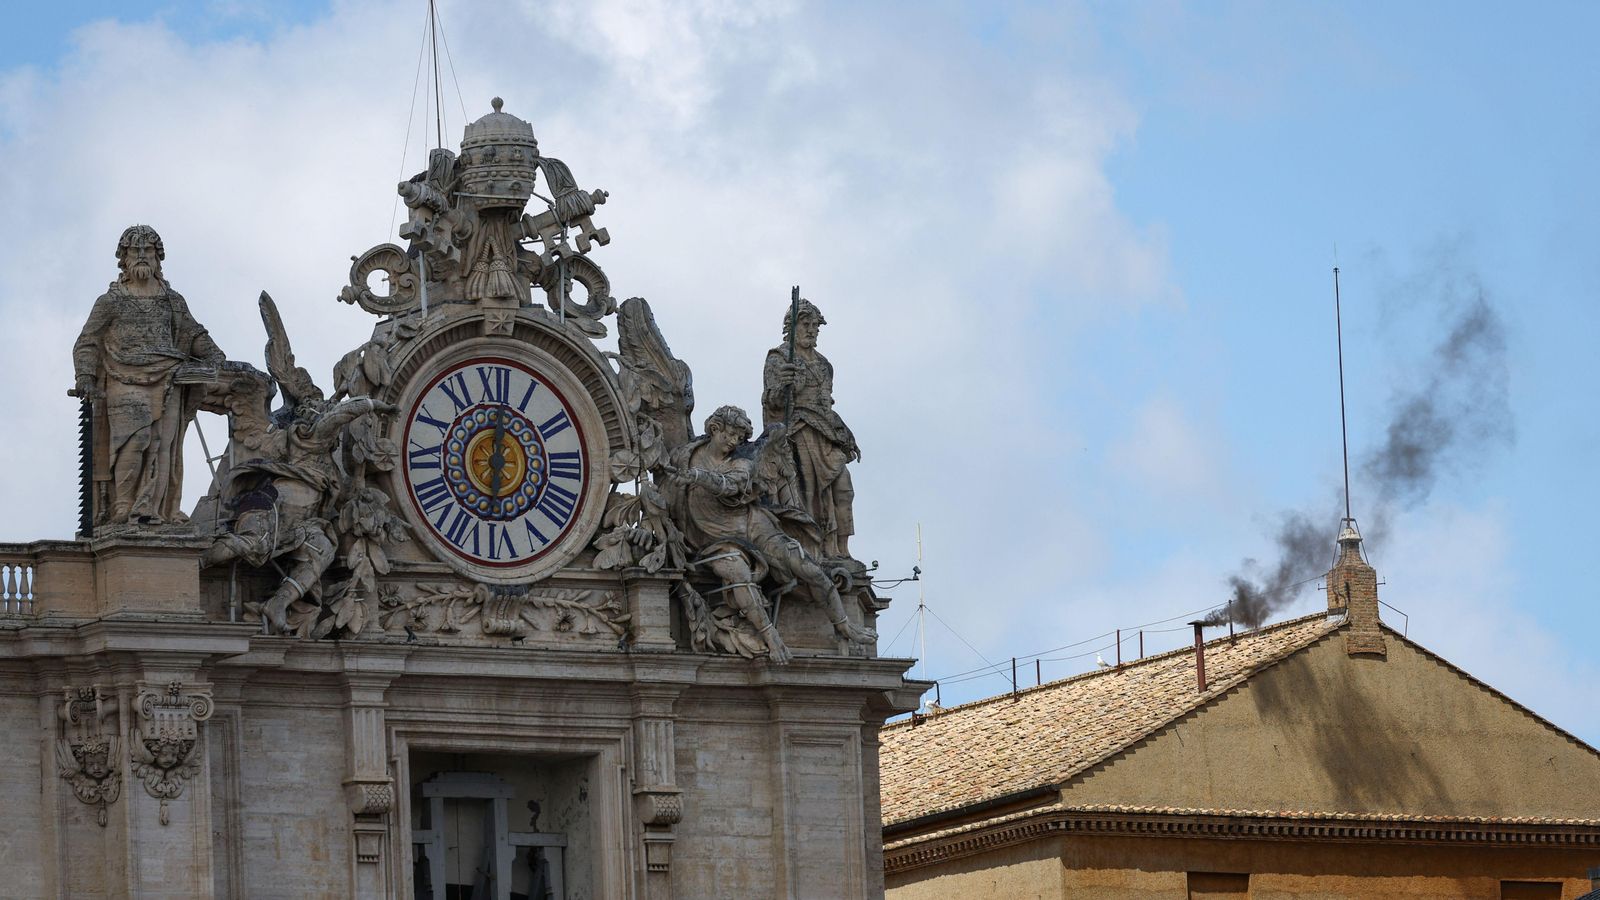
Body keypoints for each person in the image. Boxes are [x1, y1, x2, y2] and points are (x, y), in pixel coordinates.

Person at [666, 406, 875, 663]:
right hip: (713, 539)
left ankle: (842, 623)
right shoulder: (685, 455)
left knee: (807, 566)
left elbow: (729, 486)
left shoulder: (740, 462)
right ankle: (772, 638)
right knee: (740, 577)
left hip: (753, 526)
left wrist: (697, 476)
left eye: (739, 439)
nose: (733, 442)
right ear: (714, 429)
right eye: (730, 435)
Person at [72, 225, 225, 526]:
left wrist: (214, 355)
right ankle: (124, 505)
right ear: (124, 258)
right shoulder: (111, 301)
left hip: (169, 377)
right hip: (122, 376)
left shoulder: (172, 300)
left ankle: (154, 509)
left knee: (162, 445)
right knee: (135, 439)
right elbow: (87, 341)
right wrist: (86, 376)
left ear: (158, 257)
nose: (142, 256)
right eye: (134, 251)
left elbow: (194, 333)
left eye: (148, 251)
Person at [761, 299, 858, 559]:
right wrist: (785, 385)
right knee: (809, 492)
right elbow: (772, 402)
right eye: (806, 324)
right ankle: (816, 547)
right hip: (799, 432)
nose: (812, 330)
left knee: (843, 488)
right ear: (791, 327)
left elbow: (826, 404)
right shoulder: (779, 358)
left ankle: (842, 548)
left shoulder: (825, 365)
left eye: (815, 326)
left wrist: (843, 432)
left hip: (825, 433)